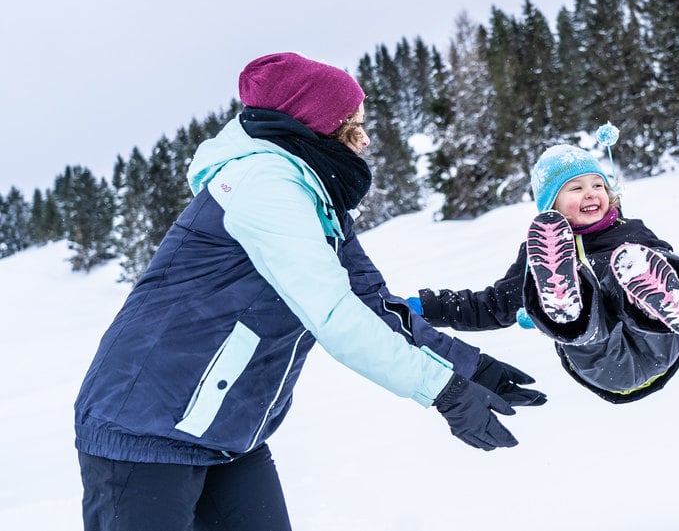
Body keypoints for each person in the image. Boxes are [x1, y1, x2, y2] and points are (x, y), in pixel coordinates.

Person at [74, 52, 543, 531]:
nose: (362, 139)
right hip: (144, 425)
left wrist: (472, 368)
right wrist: (443, 391)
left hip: (229, 430)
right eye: (349, 126)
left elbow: (372, 304)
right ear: (314, 127)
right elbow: (334, 314)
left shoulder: (316, 199)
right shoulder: (263, 185)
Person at [410, 143, 679, 403]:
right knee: (584, 300)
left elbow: (676, 274)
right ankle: (564, 306)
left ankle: (644, 305)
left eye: (598, 185)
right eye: (576, 188)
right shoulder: (539, 255)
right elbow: (492, 306)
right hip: (602, 362)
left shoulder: (631, 232)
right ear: (551, 205)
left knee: (633, 266)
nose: (591, 193)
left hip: (660, 342)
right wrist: (429, 307)